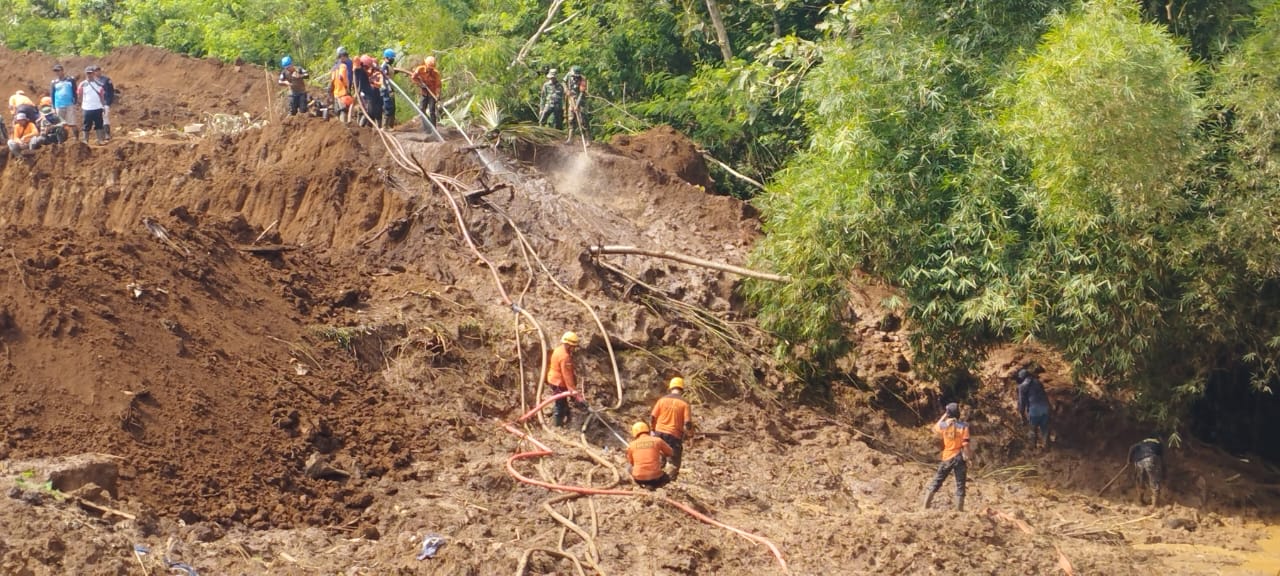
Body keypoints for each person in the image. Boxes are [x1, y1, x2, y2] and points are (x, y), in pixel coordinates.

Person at [922, 402, 972, 512]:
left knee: (937, 480)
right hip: (959, 457)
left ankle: (925, 507)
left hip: (947, 457)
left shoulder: (944, 425)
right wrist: (968, 457)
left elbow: (934, 429)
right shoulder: (964, 427)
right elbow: (966, 445)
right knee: (960, 484)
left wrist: (944, 416)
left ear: (948, 413)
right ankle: (959, 511)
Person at [650, 377, 693, 480]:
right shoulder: (684, 403)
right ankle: (670, 481)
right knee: (674, 459)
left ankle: (655, 477)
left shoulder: (662, 400)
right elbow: (687, 423)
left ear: (670, 388)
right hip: (674, 435)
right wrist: (690, 436)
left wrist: (652, 430)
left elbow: (652, 417)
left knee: (658, 456)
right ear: (682, 389)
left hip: (659, 432)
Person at [545, 331, 582, 427]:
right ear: (569, 345)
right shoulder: (565, 357)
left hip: (552, 379)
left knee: (562, 400)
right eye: (573, 346)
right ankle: (557, 425)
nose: (574, 348)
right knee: (560, 404)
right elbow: (567, 375)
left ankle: (561, 414)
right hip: (558, 383)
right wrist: (573, 390)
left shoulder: (558, 349)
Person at [627, 422, 673, 489]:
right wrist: (662, 454)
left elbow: (631, 462)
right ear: (648, 430)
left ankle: (639, 486)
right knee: (666, 476)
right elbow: (670, 452)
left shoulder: (631, 445)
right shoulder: (657, 440)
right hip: (656, 477)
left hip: (639, 479)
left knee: (628, 467)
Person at [1016, 367, 1051, 450]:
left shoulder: (1022, 387)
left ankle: (1033, 449)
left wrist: (1022, 415)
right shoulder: (1038, 382)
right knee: (1045, 429)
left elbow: (1022, 402)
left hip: (1034, 409)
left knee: (1032, 429)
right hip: (1045, 408)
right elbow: (1045, 396)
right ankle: (1046, 447)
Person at [1128, 435, 1165, 507]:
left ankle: (1140, 500)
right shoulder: (1158, 443)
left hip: (1139, 461)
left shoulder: (1141, 442)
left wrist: (1128, 460)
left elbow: (1131, 448)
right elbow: (1161, 457)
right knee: (1154, 480)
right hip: (1151, 459)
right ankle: (1155, 504)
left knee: (1140, 480)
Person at [77, 66, 108, 145]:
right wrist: (81, 105)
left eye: (90, 73)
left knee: (99, 124)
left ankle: (100, 140)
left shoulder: (99, 83)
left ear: (94, 73)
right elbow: (79, 95)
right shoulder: (82, 84)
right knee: (86, 125)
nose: (89, 75)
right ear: (85, 73)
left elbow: (101, 95)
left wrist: (103, 105)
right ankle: (85, 140)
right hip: (87, 108)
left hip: (97, 107)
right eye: (88, 73)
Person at [410, 56, 442, 128]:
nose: (429, 69)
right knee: (421, 109)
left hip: (432, 94)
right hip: (424, 93)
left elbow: (438, 86)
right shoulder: (419, 69)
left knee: (431, 111)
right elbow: (413, 78)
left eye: (431, 68)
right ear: (426, 64)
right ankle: (427, 126)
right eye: (429, 67)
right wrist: (420, 85)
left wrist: (437, 95)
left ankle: (434, 128)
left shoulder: (436, 74)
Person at [352, 55, 383, 127]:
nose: (368, 68)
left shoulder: (363, 71)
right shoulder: (359, 71)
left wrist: (375, 67)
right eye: (367, 66)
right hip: (364, 95)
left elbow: (368, 72)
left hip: (368, 94)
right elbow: (356, 59)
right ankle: (361, 127)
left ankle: (368, 128)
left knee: (371, 112)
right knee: (367, 112)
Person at [50, 64, 78, 140]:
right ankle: (61, 140)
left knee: (72, 123)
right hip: (58, 105)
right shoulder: (54, 82)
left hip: (69, 104)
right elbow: (52, 95)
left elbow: (75, 91)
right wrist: (53, 107)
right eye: (55, 71)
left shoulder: (70, 80)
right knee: (60, 124)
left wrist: (75, 102)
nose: (57, 73)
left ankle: (76, 139)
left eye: (58, 71)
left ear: (62, 71)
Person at [563, 65, 590, 139]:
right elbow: (564, 83)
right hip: (571, 99)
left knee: (583, 120)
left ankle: (588, 139)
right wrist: (566, 90)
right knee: (571, 119)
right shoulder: (568, 75)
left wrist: (577, 105)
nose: (575, 77)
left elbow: (581, 93)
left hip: (580, 101)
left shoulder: (583, 79)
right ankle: (570, 139)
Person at [331, 47, 355, 123]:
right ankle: (345, 127)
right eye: (344, 55)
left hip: (336, 92)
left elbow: (332, 80)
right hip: (343, 91)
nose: (346, 57)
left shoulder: (334, 67)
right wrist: (346, 87)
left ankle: (342, 125)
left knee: (339, 110)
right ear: (341, 56)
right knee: (343, 110)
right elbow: (342, 77)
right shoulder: (343, 66)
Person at [94, 65, 116, 142]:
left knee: (105, 117)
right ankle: (101, 135)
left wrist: (109, 102)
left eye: (98, 70)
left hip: (105, 101)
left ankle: (107, 134)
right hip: (96, 102)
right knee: (98, 119)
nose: (97, 72)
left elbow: (111, 91)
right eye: (95, 71)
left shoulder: (106, 79)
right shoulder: (92, 81)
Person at [379, 49, 398, 128]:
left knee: (392, 108)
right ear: (387, 57)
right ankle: (385, 126)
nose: (393, 59)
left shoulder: (389, 66)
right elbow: (385, 79)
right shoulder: (384, 66)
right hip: (386, 89)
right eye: (392, 58)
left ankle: (390, 126)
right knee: (388, 107)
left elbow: (391, 73)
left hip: (390, 89)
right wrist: (389, 90)